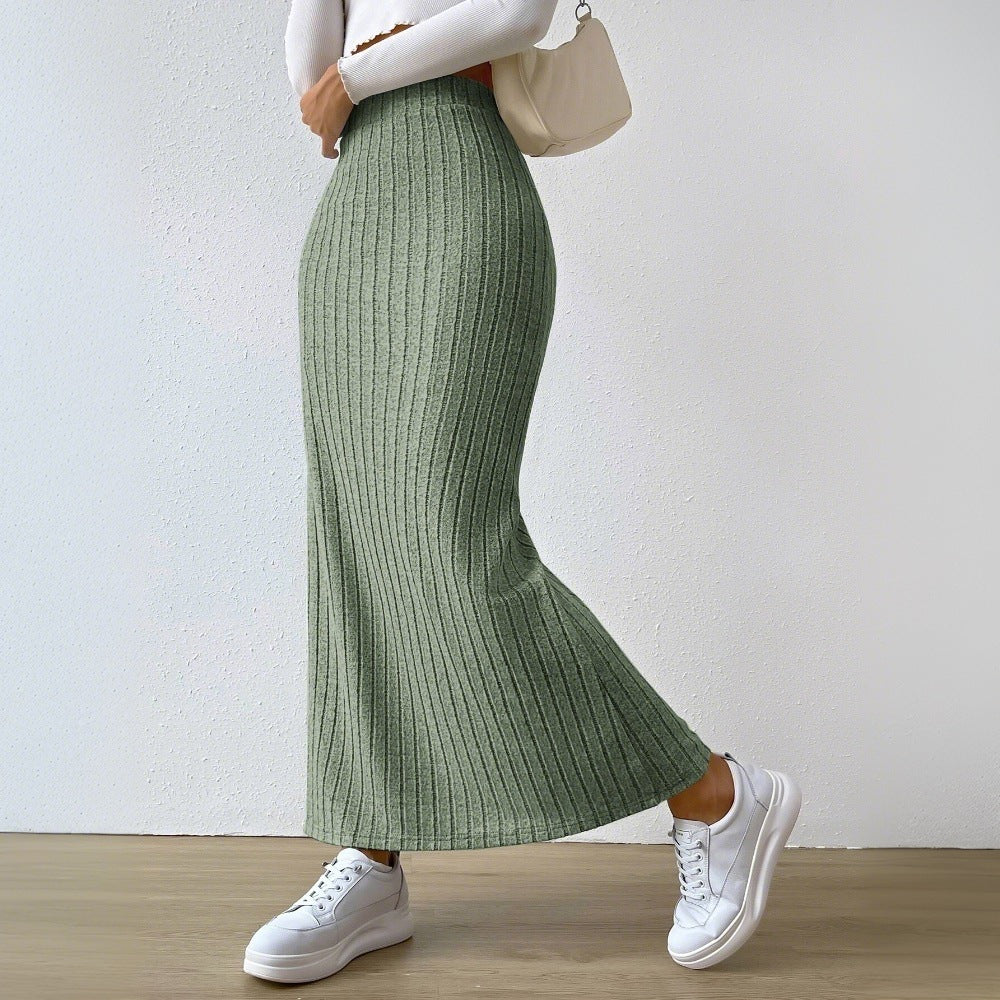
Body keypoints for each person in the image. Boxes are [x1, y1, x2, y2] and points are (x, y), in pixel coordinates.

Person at [243, 0, 801, 983]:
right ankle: (371, 852)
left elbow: (515, 12)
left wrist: (358, 76)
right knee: (356, 536)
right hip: (356, 204)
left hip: (463, 184)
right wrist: (340, 80)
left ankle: (715, 792)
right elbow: (311, 66)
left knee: (453, 534)